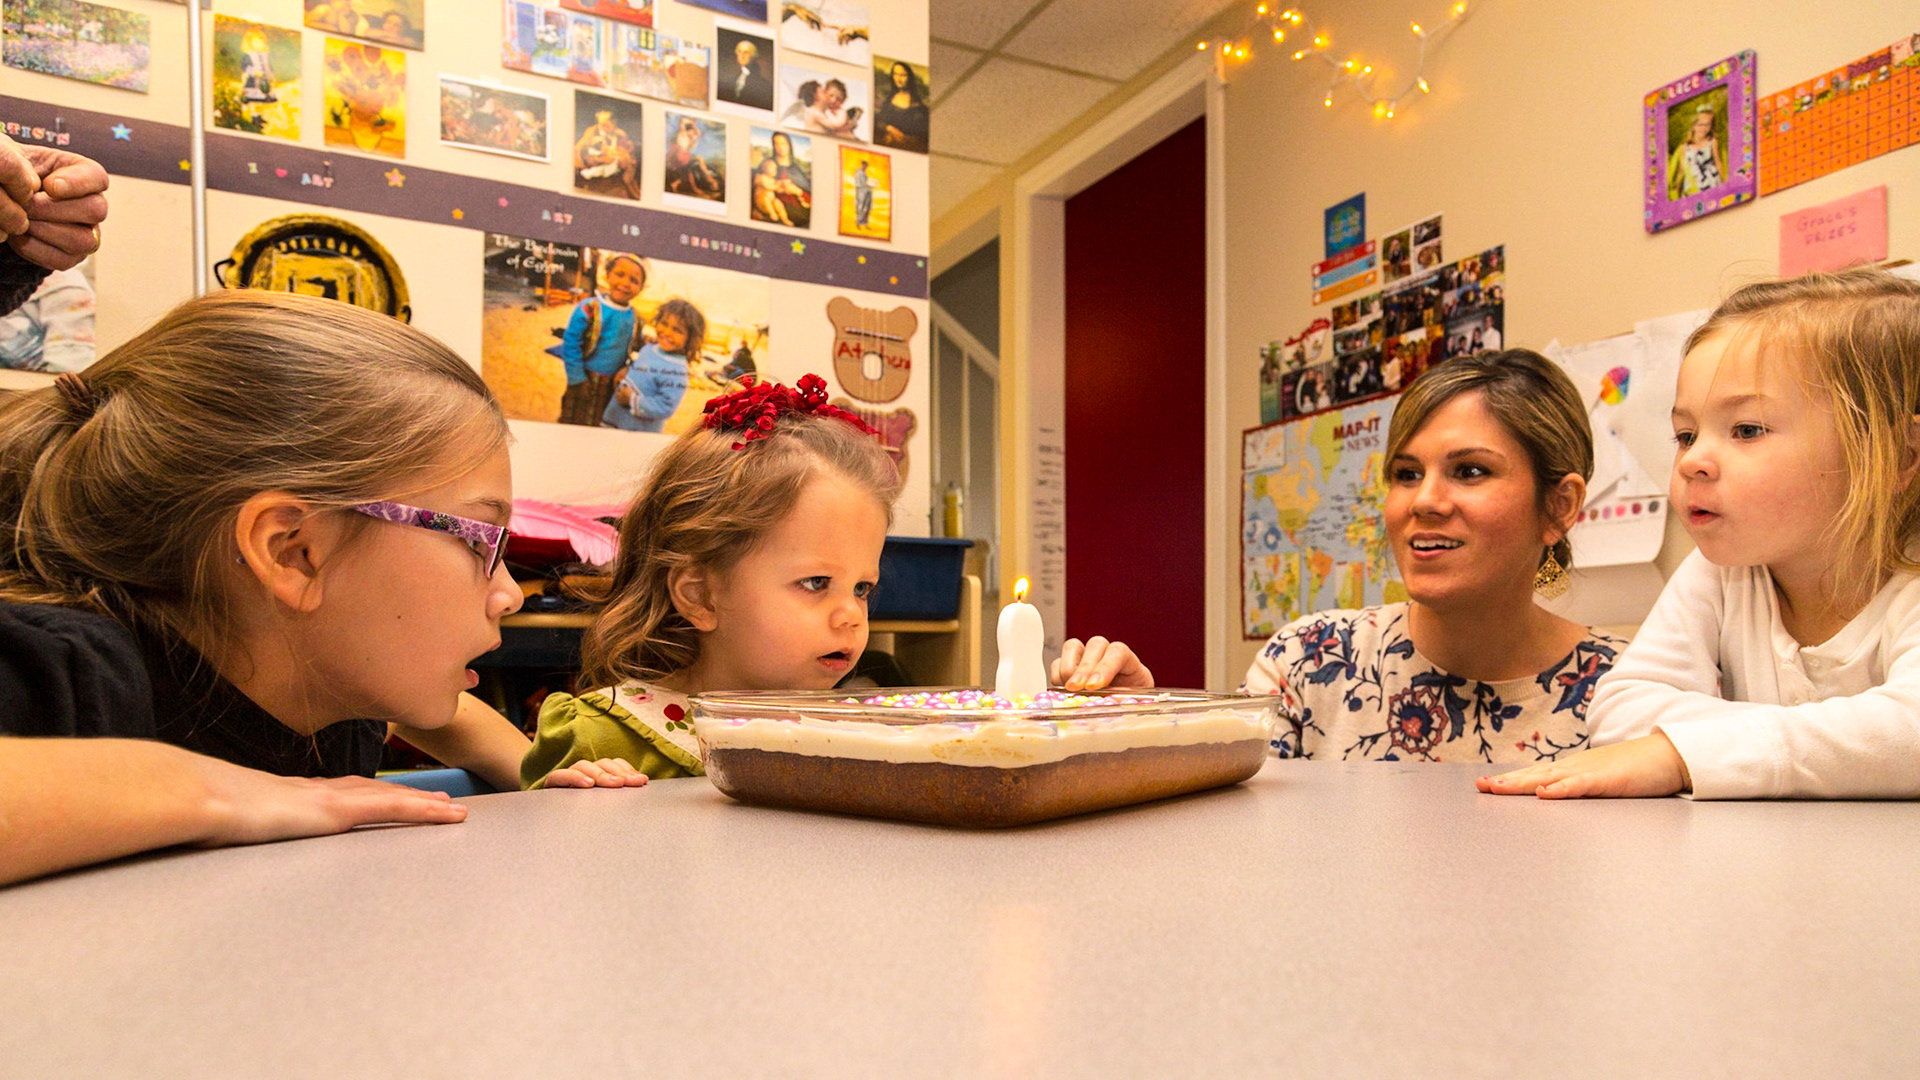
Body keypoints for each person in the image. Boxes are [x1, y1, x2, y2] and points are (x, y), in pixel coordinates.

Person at [0, 291, 641, 887]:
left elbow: (451, 711)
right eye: (481, 542)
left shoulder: (330, 685)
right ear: (295, 553)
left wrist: (529, 770)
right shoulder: (67, 669)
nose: (511, 593)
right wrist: (221, 793)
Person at [1056, 350, 1625, 764]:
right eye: (1406, 475)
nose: (1423, 501)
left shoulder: (1634, 690)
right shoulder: (1309, 666)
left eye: (1469, 471)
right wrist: (1138, 727)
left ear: (1560, 505)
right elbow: (1224, 846)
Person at [1482, 268, 1920, 800]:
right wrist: (1818, 742)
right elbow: (1623, 710)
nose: (1693, 461)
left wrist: (1682, 751)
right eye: (1685, 434)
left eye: (1747, 430)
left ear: (1901, 456)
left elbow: (1909, 733)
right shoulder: (1721, 571)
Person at [522, 375, 898, 786]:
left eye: (862, 588)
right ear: (700, 597)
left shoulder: (849, 732)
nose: (851, 616)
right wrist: (566, 805)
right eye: (816, 582)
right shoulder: (601, 738)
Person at [554, 252, 644, 426]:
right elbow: (571, 343)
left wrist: (628, 368)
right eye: (620, 274)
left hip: (612, 384)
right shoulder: (589, 308)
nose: (625, 283)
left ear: (640, 288)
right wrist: (577, 378)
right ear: (607, 275)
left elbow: (637, 349)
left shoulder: (636, 318)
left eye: (634, 280)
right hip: (584, 378)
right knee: (574, 421)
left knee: (601, 423)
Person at [603, 297, 705, 432]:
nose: (667, 332)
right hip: (615, 417)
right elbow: (643, 366)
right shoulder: (650, 348)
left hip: (637, 428)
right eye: (664, 323)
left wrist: (632, 400)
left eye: (677, 330)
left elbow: (666, 407)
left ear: (690, 338)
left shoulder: (678, 371)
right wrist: (628, 369)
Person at [573, 107, 642, 201]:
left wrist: (619, 156)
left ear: (614, 123)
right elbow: (579, 151)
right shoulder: (591, 132)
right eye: (603, 125)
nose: (606, 127)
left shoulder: (620, 135)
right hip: (593, 181)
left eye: (609, 124)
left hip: (614, 182)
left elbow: (628, 156)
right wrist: (597, 156)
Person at [1667, 100, 1725, 199]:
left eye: (1708, 125)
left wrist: (1725, 183)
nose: (1704, 128)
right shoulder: (1685, 147)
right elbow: (1682, 169)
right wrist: (1677, 187)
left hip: (1711, 181)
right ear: (1693, 125)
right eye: (1700, 124)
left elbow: (1718, 163)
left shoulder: (1712, 142)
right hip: (1693, 185)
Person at [874, 60, 929, 153]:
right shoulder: (888, 100)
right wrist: (888, 128)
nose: (898, 79)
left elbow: (922, 136)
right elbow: (878, 120)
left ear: (909, 78)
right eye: (895, 74)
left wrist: (903, 138)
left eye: (903, 75)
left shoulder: (919, 108)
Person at [664, 117, 722, 200]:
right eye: (692, 132)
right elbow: (682, 122)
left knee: (689, 170)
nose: (694, 135)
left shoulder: (689, 138)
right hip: (678, 156)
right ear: (688, 131)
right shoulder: (682, 135)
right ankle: (709, 178)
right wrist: (690, 123)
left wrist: (693, 125)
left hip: (681, 157)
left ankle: (689, 186)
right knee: (699, 159)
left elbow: (698, 134)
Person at [718, 36, 773, 111]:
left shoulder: (763, 85)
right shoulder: (732, 79)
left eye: (746, 53)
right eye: (739, 52)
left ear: (753, 56)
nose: (742, 56)